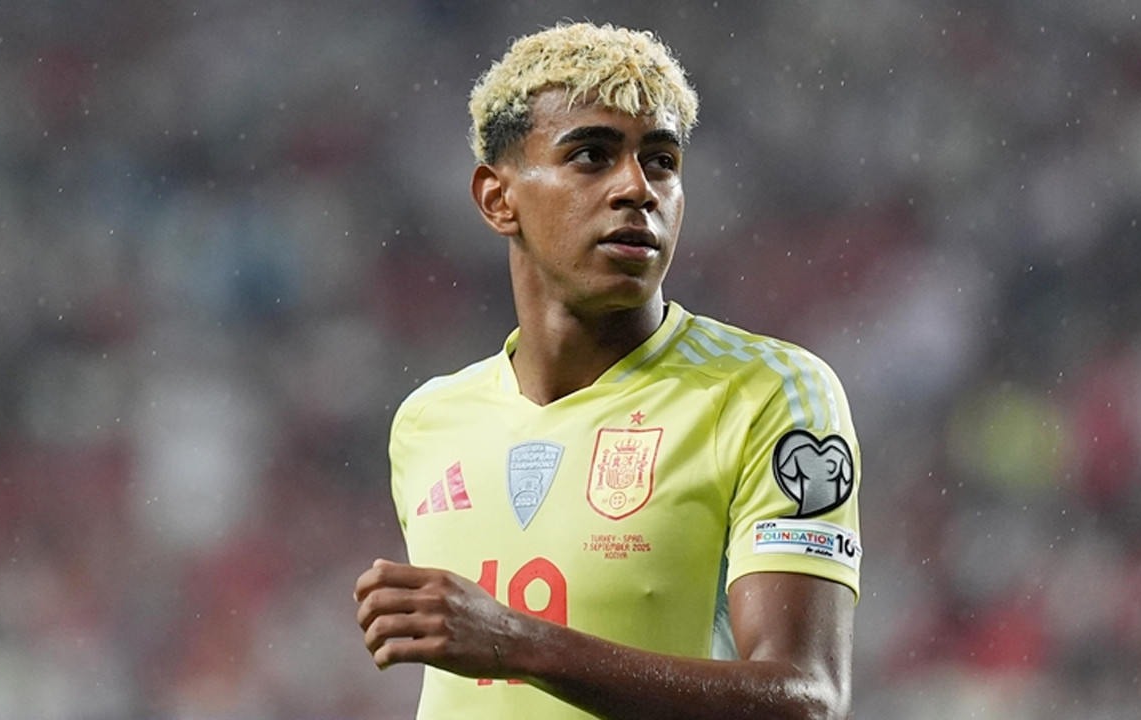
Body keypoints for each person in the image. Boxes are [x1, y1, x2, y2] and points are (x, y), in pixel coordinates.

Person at [354, 21, 862, 720]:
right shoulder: (428, 421)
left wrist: (518, 642)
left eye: (661, 161)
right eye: (591, 156)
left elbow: (807, 700)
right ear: (498, 199)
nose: (637, 188)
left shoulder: (766, 394)